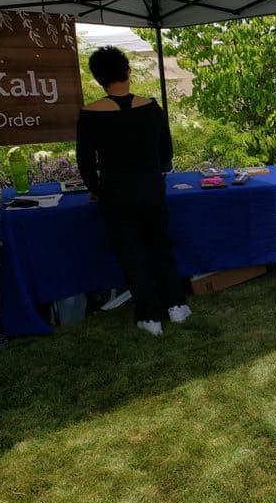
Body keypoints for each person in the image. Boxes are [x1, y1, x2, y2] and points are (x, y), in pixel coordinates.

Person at [76, 46, 191, 336]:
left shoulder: (90, 114)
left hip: (116, 192)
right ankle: (176, 305)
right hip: (151, 187)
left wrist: (94, 189)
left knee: (132, 252)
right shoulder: (151, 107)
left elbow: (86, 162)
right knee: (160, 246)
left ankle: (150, 317)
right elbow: (166, 152)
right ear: (127, 71)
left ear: (98, 78)